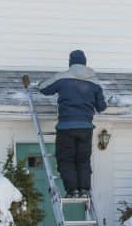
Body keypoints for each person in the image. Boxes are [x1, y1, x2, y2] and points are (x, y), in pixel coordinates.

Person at [39, 50, 107, 198]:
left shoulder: (63, 77)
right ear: (85, 63)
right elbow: (101, 107)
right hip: (86, 128)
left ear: (70, 62)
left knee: (66, 159)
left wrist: (39, 83)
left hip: (66, 127)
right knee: (83, 159)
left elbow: (43, 88)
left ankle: (72, 191)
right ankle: (84, 190)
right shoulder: (94, 81)